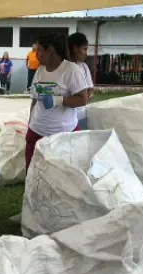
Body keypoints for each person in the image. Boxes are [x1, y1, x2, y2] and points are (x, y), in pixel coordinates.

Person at [26, 32, 88, 172]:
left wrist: (57, 100)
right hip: (36, 132)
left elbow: (82, 99)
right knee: (33, 174)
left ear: (50, 50)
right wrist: (30, 123)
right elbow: (34, 100)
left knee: (59, 176)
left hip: (62, 135)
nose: (36, 55)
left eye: (39, 50)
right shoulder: (40, 70)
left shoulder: (71, 70)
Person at [68, 32, 94, 130]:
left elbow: (90, 89)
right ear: (75, 48)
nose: (86, 53)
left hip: (81, 115)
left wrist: (87, 94)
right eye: (84, 49)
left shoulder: (83, 67)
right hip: (66, 119)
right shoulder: (63, 68)